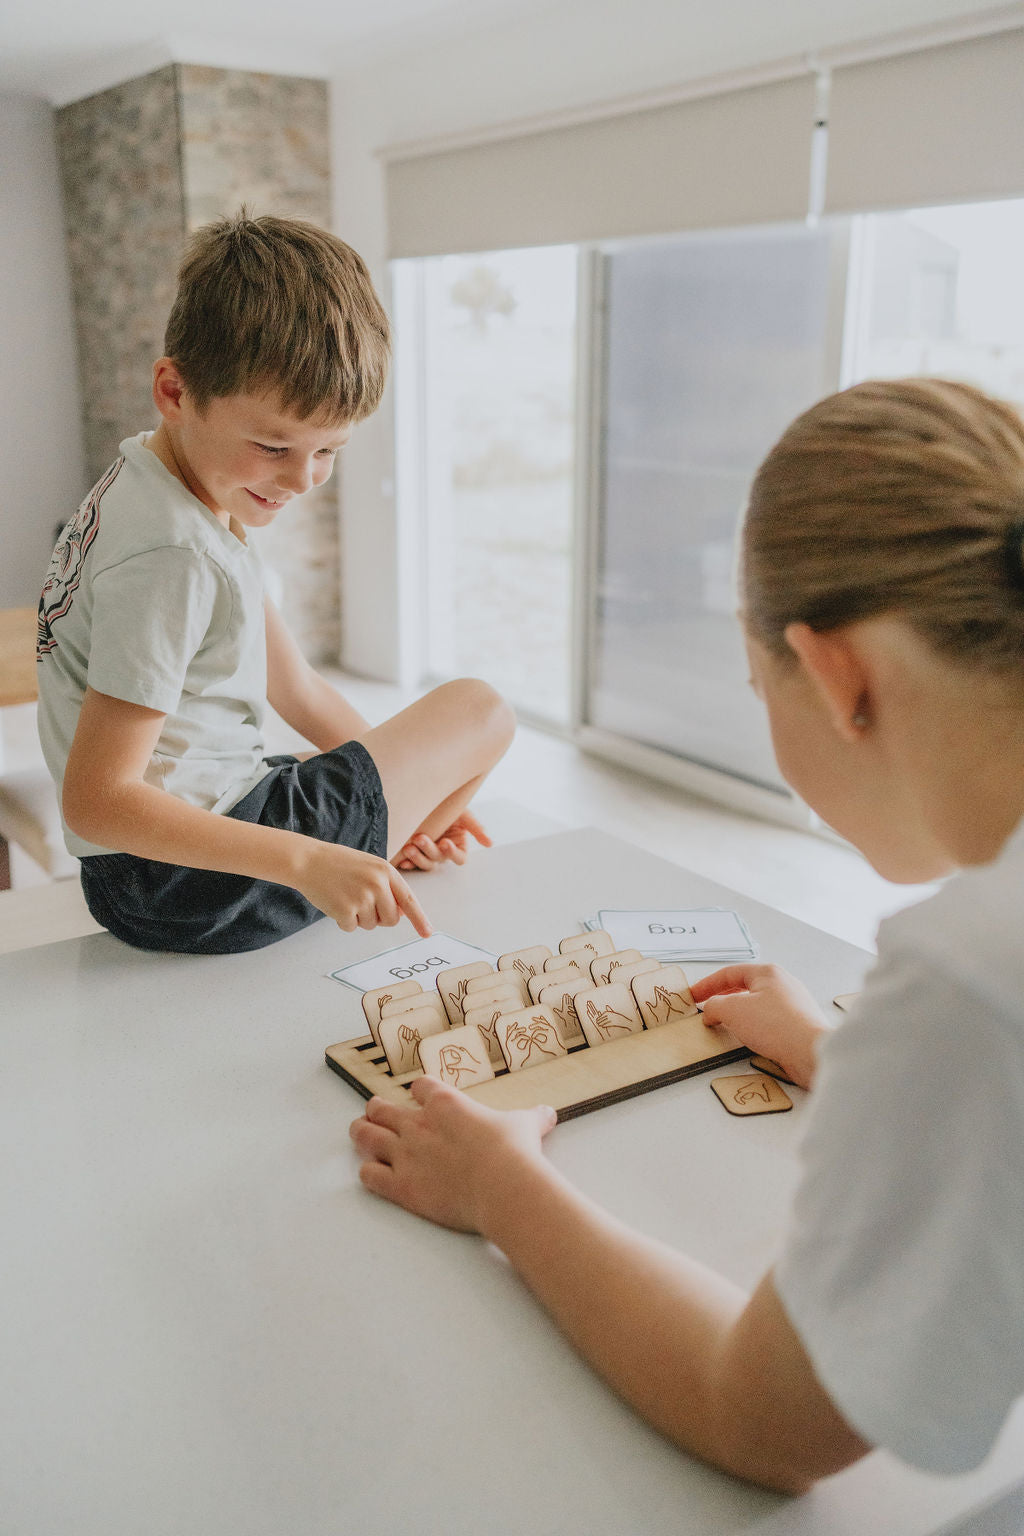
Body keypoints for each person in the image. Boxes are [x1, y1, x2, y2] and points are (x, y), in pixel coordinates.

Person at [350, 377, 1024, 1493]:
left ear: (835, 674)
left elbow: (766, 1421)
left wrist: (500, 1187)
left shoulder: (967, 981)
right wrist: (859, 1066)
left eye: (759, 686)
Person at [36, 213, 515, 954]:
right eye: (274, 446)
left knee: (319, 762)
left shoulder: (156, 484)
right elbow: (98, 801)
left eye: (330, 450)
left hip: (144, 874)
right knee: (480, 711)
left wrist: (401, 801)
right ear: (174, 388)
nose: (304, 479)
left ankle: (391, 840)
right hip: (183, 886)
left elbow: (298, 691)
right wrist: (311, 858)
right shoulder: (176, 555)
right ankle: (382, 845)